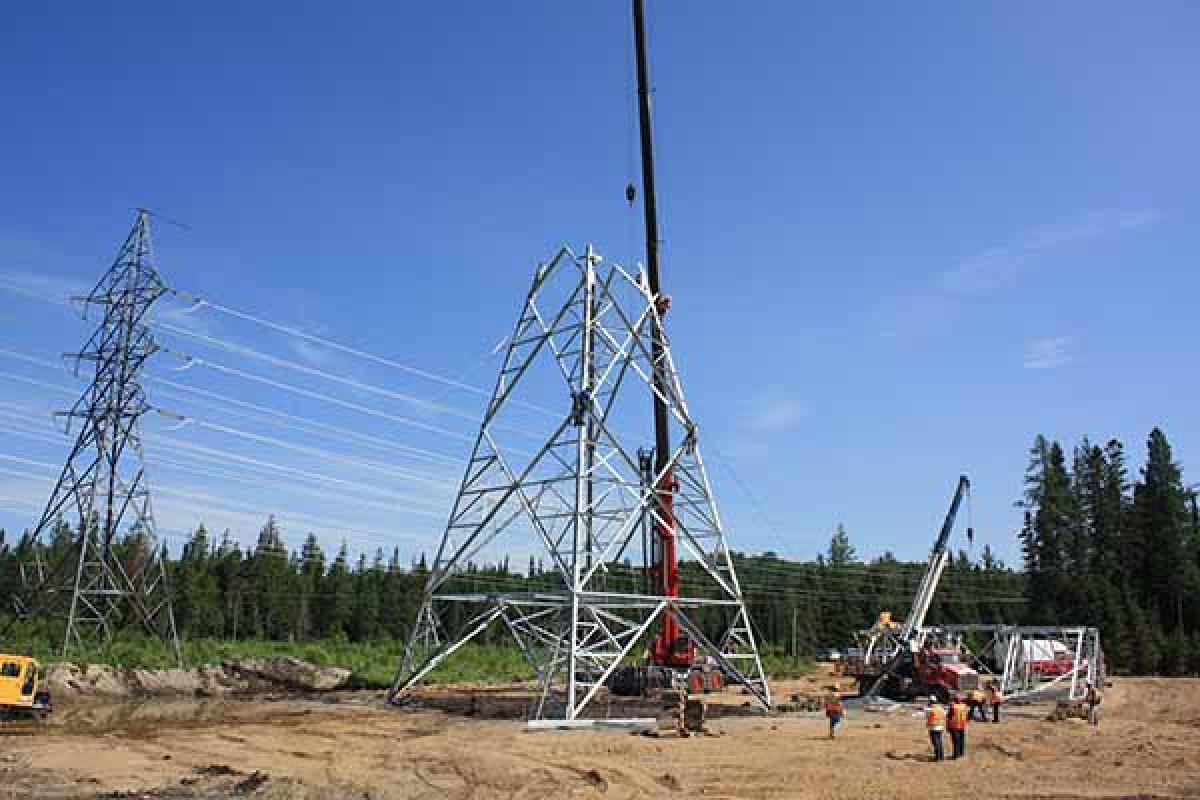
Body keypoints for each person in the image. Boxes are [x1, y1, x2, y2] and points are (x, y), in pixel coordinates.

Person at [925, 695, 947, 762]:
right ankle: (942, 756)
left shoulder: (930, 709)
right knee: (940, 742)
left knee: (935, 743)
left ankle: (937, 757)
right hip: (940, 726)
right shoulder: (941, 708)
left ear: (930, 701)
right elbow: (945, 714)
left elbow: (927, 715)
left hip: (933, 727)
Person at [947, 693, 969, 759]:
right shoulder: (964, 706)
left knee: (955, 741)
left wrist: (948, 725)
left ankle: (956, 755)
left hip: (954, 725)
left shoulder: (953, 706)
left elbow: (949, 716)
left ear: (955, 699)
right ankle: (961, 753)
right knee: (962, 740)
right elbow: (966, 715)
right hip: (962, 725)